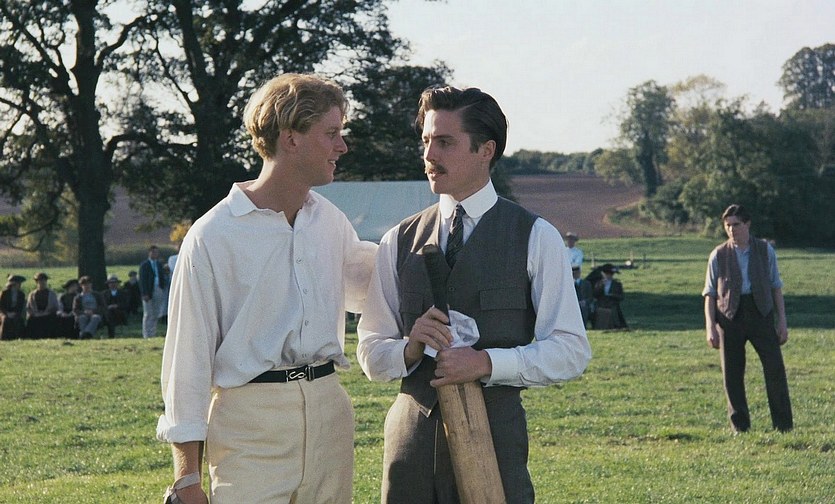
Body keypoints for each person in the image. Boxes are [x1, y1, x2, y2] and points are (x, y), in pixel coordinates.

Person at [356, 85, 591, 503]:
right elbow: (370, 352)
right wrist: (410, 348)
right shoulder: (398, 239)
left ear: (486, 150)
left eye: (445, 142)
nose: (429, 155)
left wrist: (486, 363)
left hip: (495, 446)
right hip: (411, 446)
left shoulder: (536, 236)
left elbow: (570, 350)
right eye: (426, 141)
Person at [156, 73, 376, 504]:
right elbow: (187, 358)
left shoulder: (330, 222)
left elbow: (376, 288)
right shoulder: (213, 235)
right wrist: (187, 477)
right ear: (291, 138)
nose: (342, 146)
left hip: (330, 415)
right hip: (249, 425)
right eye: (331, 133)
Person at [702, 204, 792, 433]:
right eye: (728, 225)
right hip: (729, 316)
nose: (732, 230)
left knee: (774, 369)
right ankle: (740, 426)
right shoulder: (718, 254)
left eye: (736, 224)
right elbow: (710, 294)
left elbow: (776, 286)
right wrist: (710, 327)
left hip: (761, 312)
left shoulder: (765, 250)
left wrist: (782, 320)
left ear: (747, 224)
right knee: (732, 374)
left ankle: (783, 425)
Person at [139, 245, 167, 338]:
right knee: (148, 313)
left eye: (157, 252)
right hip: (148, 290)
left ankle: (152, 332)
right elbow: (142, 280)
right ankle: (146, 334)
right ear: (149, 253)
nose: (155, 254)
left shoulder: (159, 264)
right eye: (153, 252)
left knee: (156, 313)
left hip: (158, 288)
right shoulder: (144, 265)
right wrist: (144, 293)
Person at [592, 263, 627, 329]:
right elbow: (595, 294)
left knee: (613, 310)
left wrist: (613, 295)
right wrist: (601, 286)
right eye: (606, 274)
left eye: (610, 274)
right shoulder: (599, 283)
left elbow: (621, 296)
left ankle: (615, 325)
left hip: (612, 303)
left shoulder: (617, 284)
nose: (608, 276)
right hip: (601, 303)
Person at [25, 272, 59, 339]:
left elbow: (56, 307)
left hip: (48, 315)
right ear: (37, 282)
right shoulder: (32, 294)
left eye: (44, 281)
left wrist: (47, 312)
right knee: (30, 320)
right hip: (36, 315)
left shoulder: (52, 294)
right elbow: (28, 307)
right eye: (40, 281)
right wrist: (34, 313)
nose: (42, 283)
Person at [1, 274, 27, 340]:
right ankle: (3, 337)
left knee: (18, 319)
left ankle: (19, 337)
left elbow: (20, 307)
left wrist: (15, 313)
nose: (19, 285)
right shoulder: (4, 293)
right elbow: (1, 306)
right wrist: (7, 313)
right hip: (4, 313)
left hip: (16, 313)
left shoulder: (21, 294)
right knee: (5, 319)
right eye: (18, 284)